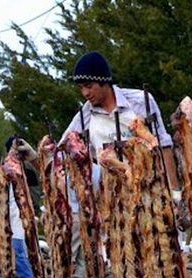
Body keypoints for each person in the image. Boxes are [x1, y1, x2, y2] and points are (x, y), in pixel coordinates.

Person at [58, 51, 180, 193]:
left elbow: (164, 145)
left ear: (104, 81)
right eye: (81, 88)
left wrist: (175, 191)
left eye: (89, 86)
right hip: (114, 195)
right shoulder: (84, 115)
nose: (85, 93)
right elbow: (62, 150)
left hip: (152, 186)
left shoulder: (140, 100)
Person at [4, 135, 39, 278]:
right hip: (10, 212)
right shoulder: (4, 168)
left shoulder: (26, 169)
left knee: (24, 247)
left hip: (23, 211)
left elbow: (35, 186)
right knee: (17, 248)